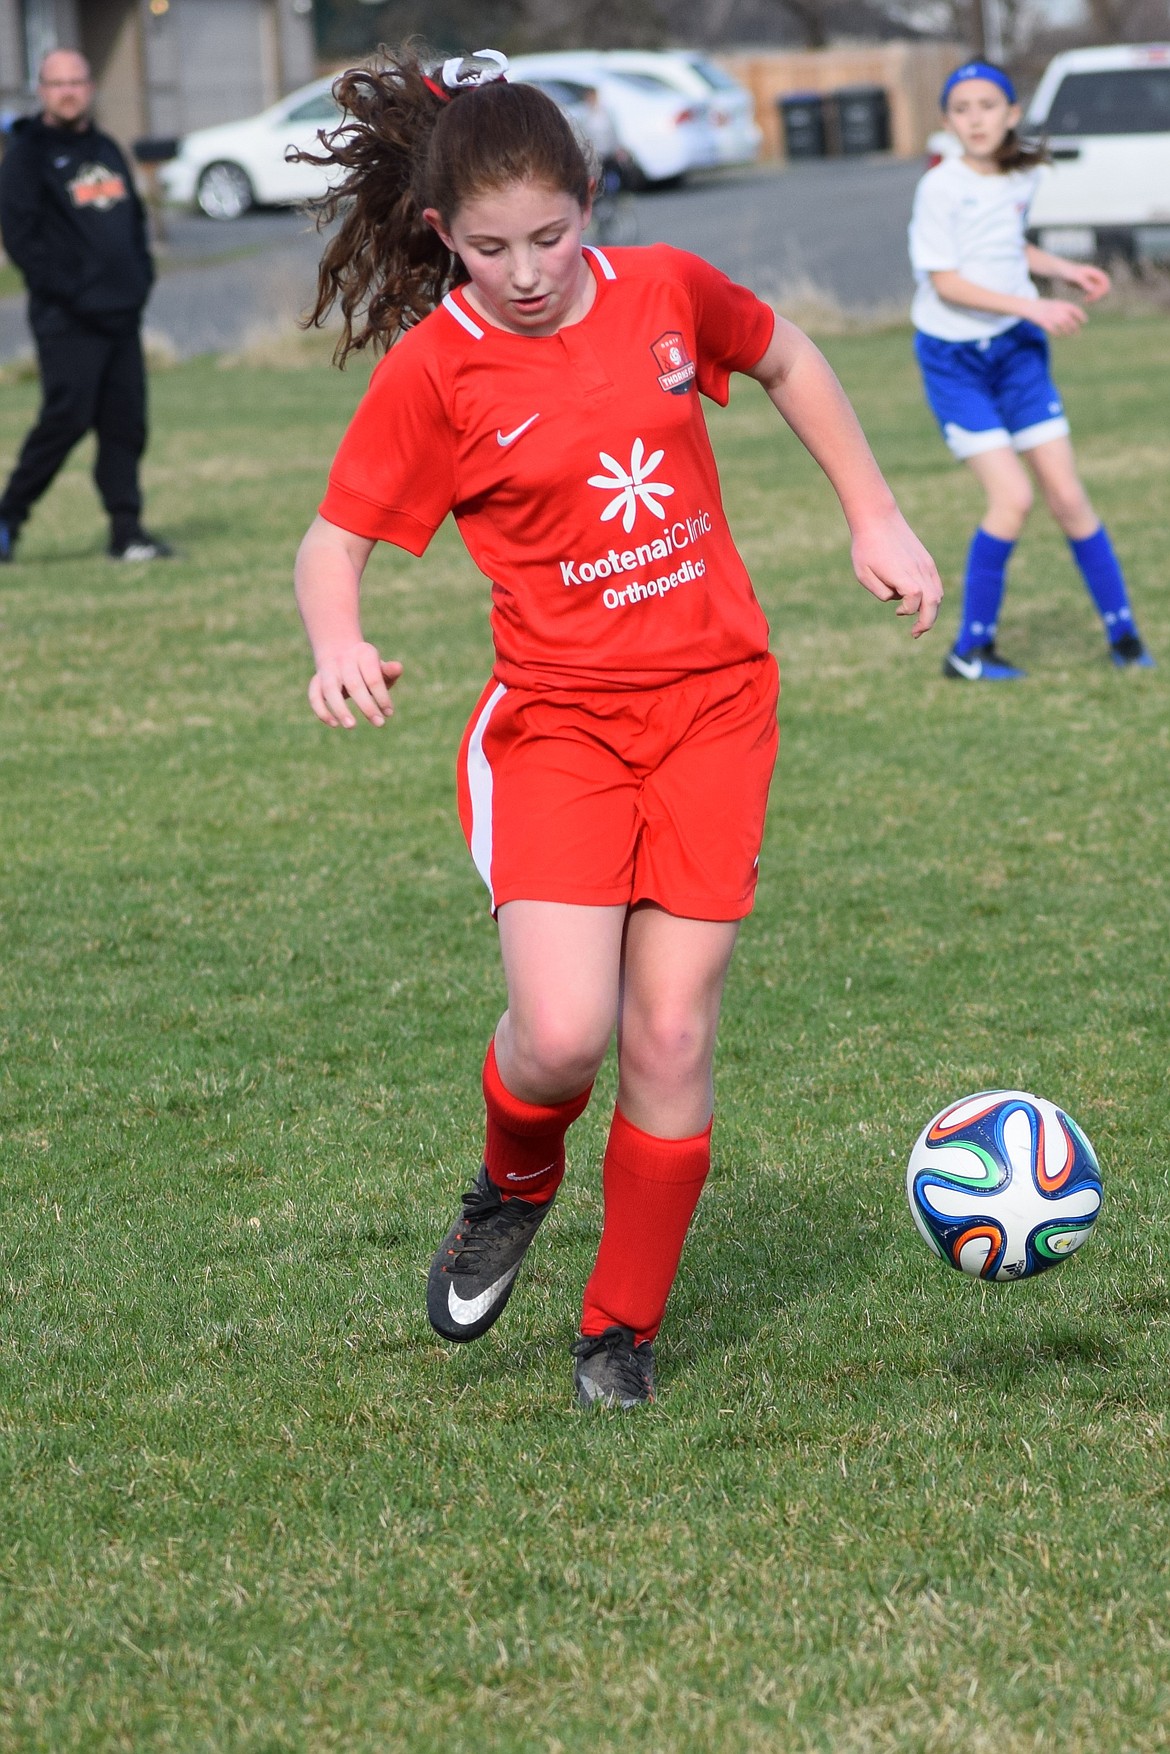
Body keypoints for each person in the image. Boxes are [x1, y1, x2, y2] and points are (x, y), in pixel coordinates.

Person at [294, 49, 942, 1410]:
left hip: (714, 708)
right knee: (562, 1033)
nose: (524, 269)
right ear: (439, 237)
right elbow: (334, 537)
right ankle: (512, 1183)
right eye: (487, 248)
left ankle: (617, 1336)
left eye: (548, 234)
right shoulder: (438, 367)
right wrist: (336, 638)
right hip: (559, 730)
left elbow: (787, 353)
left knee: (668, 1032)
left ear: (588, 200)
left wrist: (871, 512)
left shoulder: (663, 291)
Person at [909, 60, 1152, 680]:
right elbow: (949, 280)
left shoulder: (1019, 176)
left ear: (1012, 114)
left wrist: (1064, 271)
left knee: (1069, 497)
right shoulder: (940, 186)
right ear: (947, 122)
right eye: (962, 109)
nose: (975, 118)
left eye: (987, 105)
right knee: (1012, 498)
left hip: (1016, 353)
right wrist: (1034, 304)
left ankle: (1125, 639)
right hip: (956, 360)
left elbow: (1004, 243)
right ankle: (969, 652)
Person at [0, 49, 170, 564]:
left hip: (121, 315)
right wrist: (75, 291)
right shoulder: (27, 155)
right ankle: (8, 518)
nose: (68, 91)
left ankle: (127, 532)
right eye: (57, 83)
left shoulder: (104, 147)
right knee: (66, 420)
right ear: (41, 90)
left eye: (76, 81)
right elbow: (22, 241)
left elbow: (133, 222)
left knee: (126, 424)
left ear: (90, 86)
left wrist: (140, 279)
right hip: (68, 320)